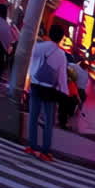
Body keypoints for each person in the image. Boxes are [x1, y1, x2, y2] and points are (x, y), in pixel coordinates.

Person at [26, 25, 69, 162]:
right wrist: (65, 92)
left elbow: (31, 63)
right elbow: (62, 77)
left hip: (36, 84)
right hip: (50, 90)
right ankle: (45, 151)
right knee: (48, 121)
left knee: (33, 116)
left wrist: (30, 80)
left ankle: (32, 146)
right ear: (61, 38)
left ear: (50, 34)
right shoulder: (61, 55)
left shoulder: (39, 47)